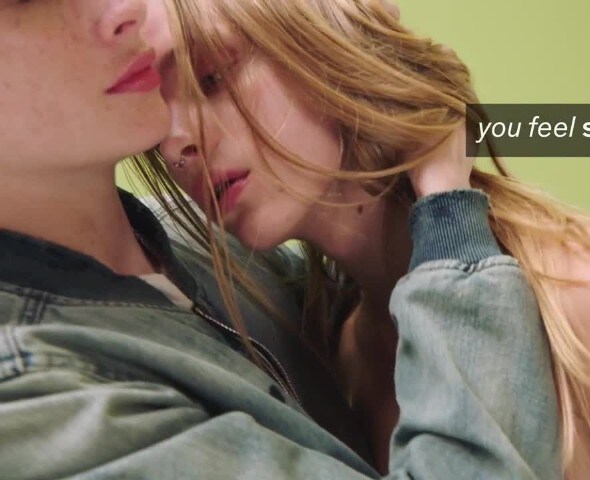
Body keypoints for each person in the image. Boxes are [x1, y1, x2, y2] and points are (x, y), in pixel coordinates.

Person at [137, 0, 590, 478]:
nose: (175, 143)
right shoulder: (332, 360)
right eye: (153, 118)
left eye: (211, 76)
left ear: (327, 37)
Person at [0, 1, 561, 479]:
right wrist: (448, 218)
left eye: (211, 78)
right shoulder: (39, 401)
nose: (124, 9)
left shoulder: (204, 245)